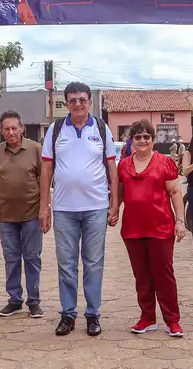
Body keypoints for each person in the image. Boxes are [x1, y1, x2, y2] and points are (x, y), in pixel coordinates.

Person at [40, 82, 119, 337]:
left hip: (96, 206)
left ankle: (93, 315)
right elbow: (46, 170)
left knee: (94, 263)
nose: (77, 104)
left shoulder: (101, 128)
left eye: (82, 100)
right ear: (66, 103)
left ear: (89, 102)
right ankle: (68, 314)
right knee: (66, 263)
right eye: (72, 100)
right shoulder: (55, 130)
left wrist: (115, 202)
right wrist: (45, 206)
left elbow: (112, 170)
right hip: (64, 208)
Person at [118, 119, 187, 337]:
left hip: (161, 228)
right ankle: (147, 318)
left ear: (153, 140)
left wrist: (180, 221)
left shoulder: (164, 162)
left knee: (164, 275)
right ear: (131, 141)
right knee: (142, 276)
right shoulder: (124, 165)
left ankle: (172, 320)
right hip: (132, 229)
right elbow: (120, 193)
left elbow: (175, 192)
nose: (142, 140)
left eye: (146, 136)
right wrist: (112, 212)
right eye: (137, 137)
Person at [0, 111, 44, 318]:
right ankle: (14, 300)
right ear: (1, 131)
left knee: (32, 257)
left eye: (14, 128)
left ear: (22, 128)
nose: (10, 132)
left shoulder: (35, 149)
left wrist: (46, 209)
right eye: (6, 129)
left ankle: (34, 301)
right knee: (11, 258)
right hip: (6, 216)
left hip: (32, 213)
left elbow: (44, 181)